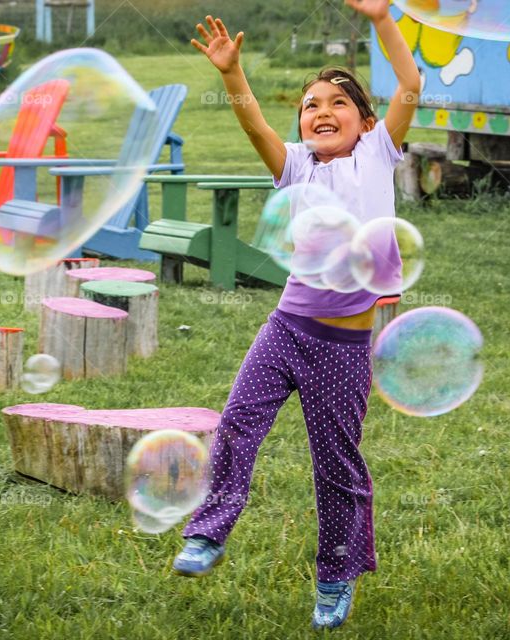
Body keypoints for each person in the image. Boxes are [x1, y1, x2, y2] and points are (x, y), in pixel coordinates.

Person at [173, 0, 421, 631]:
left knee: (336, 465)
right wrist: (232, 74)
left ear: (367, 123)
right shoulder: (295, 167)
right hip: (285, 330)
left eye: (338, 103)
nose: (322, 112)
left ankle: (336, 576)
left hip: (342, 346)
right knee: (236, 425)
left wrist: (382, 20)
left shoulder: (377, 153)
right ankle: (207, 533)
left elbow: (411, 85)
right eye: (311, 105)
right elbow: (254, 124)